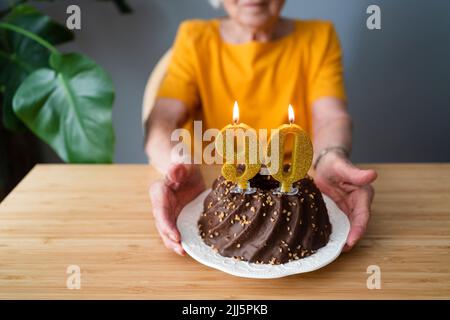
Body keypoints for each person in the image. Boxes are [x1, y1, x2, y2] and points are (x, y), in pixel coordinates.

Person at [145, 0, 377, 256]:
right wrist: (176, 168)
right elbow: (162, 119)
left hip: (299, 187)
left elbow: (331, 117)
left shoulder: (318, 37)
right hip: (211, 184)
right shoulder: (195, 37)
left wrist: (330, 156)